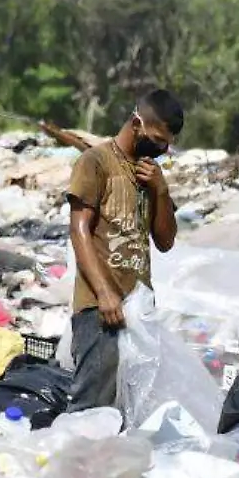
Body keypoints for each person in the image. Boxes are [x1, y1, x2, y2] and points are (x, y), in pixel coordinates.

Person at [64, 89, 184, 412]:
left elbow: (165, 241)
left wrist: (160, 190)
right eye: (158, 139)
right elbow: (79, 230)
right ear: (136, 123)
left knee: (130, 408)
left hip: (138, 310)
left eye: (167, 143)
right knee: (92, 405)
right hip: (99, 308)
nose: (163, 149)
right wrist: (104, 293)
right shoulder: (96, 162)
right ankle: (79, 461)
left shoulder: (150, 174)